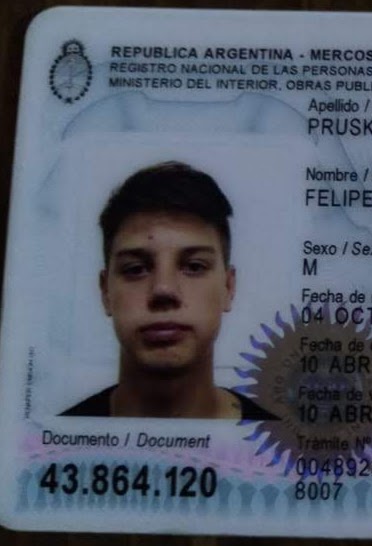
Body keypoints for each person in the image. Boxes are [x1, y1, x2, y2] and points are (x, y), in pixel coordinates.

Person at [62, 161, 277, 420]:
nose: (163, 290)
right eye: (135, 269)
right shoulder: (49, 440)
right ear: (105, 291)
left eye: (194, 267)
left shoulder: (282, 444)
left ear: (228, 287)